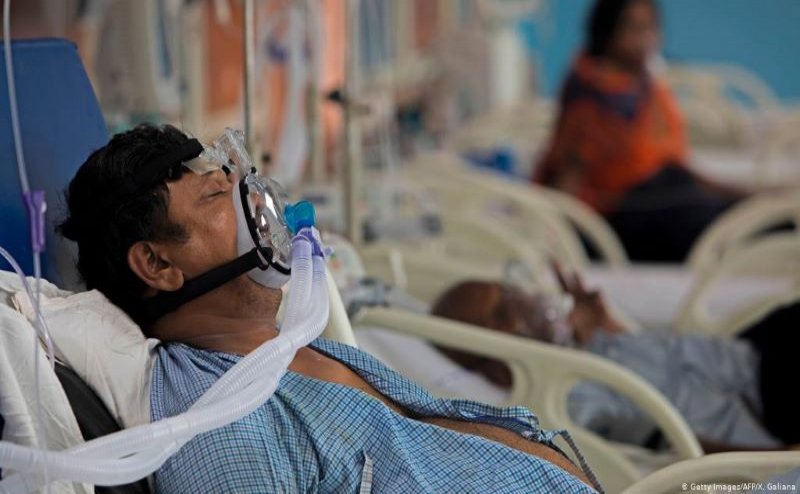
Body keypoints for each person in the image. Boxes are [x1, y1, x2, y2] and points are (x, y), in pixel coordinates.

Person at [57, 124, 598, 493]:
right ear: (157, 264)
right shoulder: (224, 431)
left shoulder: (289, 346)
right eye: (216, 198)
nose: (258, 204)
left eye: (238, 185)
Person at [431, 271, 800, 453]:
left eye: (508, 288)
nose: (521, 297)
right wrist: (778, 462)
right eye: (502, 307)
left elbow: (673, 359)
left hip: (757, 349)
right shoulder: (570, 401)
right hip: (771, 405)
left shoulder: (584, 348)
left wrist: (606, 327)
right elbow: (678, 447)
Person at [535, 0, 744, 262]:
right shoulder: (592, 97)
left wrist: (743, 193)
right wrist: (552, 242)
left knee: (747, 215)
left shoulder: (644, 86)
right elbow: (569, 179)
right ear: (607, 32)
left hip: (666, 197)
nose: (645, 38)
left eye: (651, 27)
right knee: (734, 228)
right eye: (633, 28)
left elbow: (673, 166)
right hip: (623, 221)